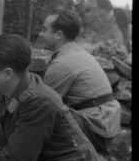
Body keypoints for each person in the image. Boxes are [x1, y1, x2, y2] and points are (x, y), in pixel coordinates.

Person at [39, 9, 121, 153]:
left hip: (97, 130)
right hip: (105, 125)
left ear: (58, 34)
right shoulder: (77, 53)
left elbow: (42, 106)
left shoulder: (63, 63)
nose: (41, 34)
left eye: (44, 30)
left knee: (40, 120)